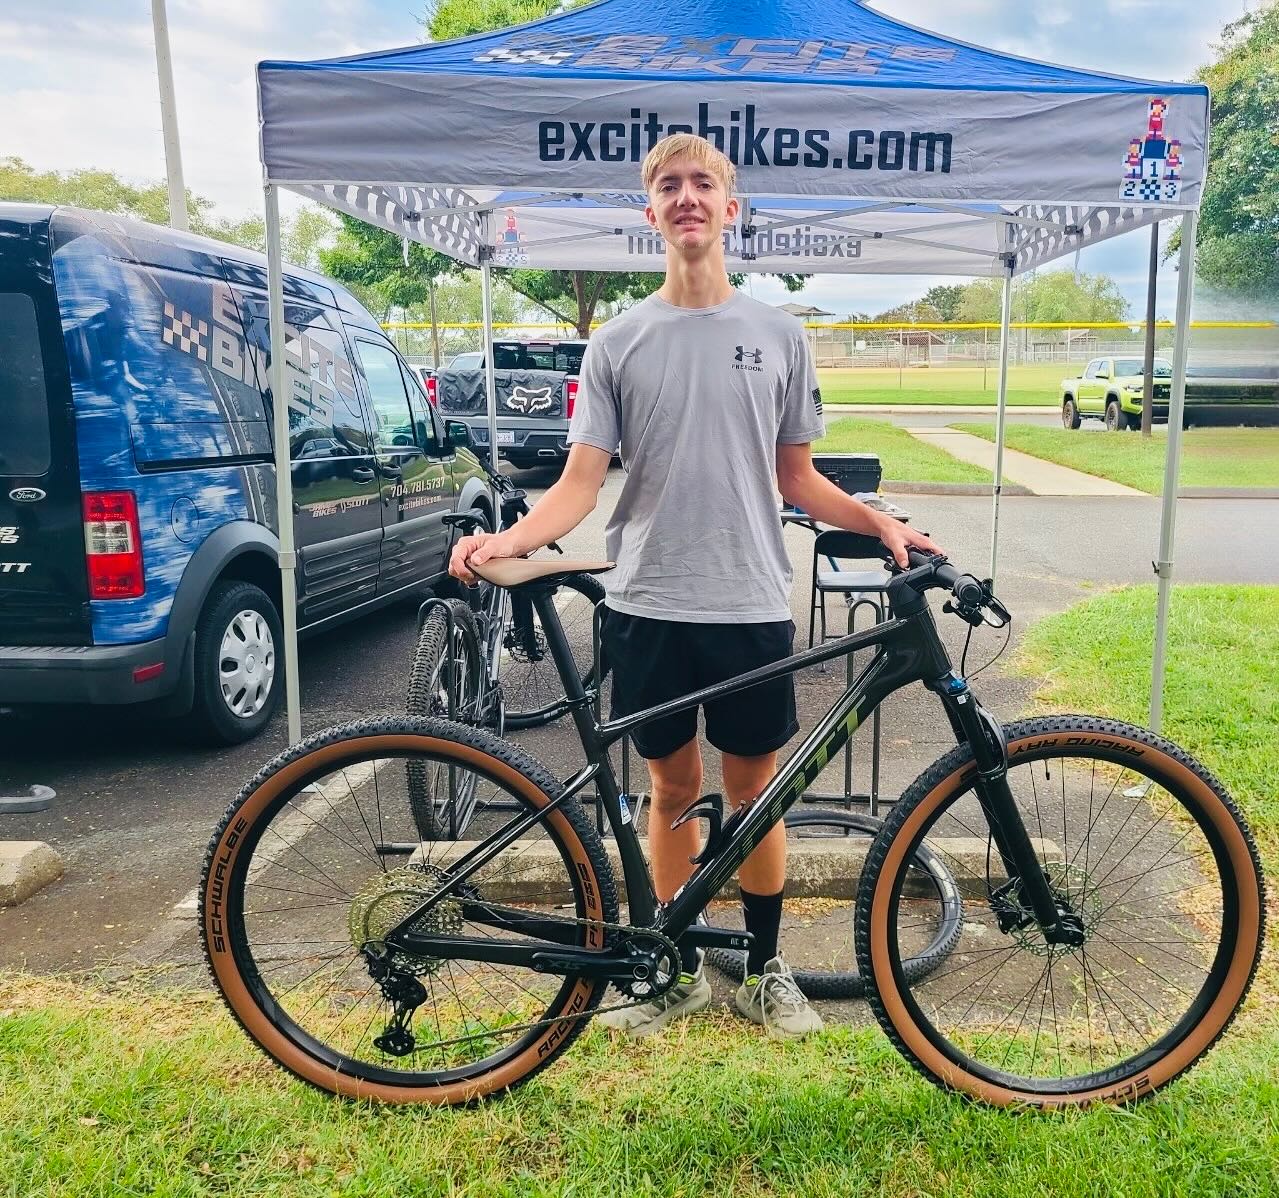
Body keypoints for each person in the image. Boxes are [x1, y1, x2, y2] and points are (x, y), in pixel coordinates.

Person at [449, 133, 940, 1040]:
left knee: (757, 797)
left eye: (702, 184)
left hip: (749, 597)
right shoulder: (618, 341)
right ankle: (668, 970)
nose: (686, 198)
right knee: (670, 791)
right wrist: (503, 539)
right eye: (668, 186)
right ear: (650, 212)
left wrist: (874, 519)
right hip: (646, 601)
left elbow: (798, 476)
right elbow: (579, 485)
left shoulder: (778, 333)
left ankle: (763, 969)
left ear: (730, 207)